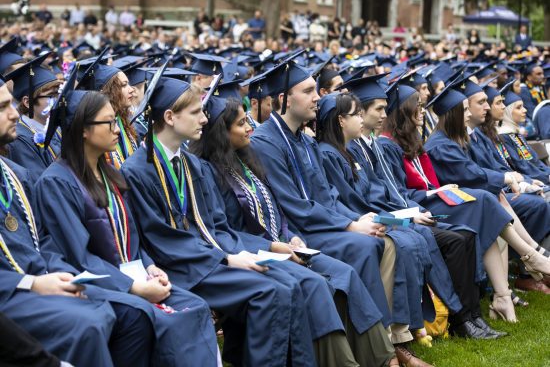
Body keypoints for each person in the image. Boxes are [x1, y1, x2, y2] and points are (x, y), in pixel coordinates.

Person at [121, 76, 317, 366]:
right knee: (270, 291)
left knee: (288, 282)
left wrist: (241, 253)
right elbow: (161, 239)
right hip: (182, 267)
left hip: (209, 258)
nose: (204, 118)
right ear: (169, 117)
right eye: (196, 112)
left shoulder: (193, 165)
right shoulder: (138, 170)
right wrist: (226, 259)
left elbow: (217, 226)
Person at [192, 95, 399, 367]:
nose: (249, 127)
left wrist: (288, 235)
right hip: (252, 253)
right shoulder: (209, 172)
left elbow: (275, 208)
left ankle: (383, 358)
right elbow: (223, 231)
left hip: (283, 245)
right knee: (315, 284)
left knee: (343, 272)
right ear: (222, 131)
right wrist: (273, 247)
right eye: (242, 123)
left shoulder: (246, 161)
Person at [249, 61, 433, 367]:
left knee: (383, 241)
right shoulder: (267, 142)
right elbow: (294, 205)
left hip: (322, 222)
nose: (316, 97)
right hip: (298, 230)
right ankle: (383, 352)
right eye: (307, 91)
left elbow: (326, 194)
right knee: (364, 247)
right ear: (284, 99)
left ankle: (383, 339)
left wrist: (358, 220)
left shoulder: (302, 139)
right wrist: (349, 226)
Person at [34, 79, 220, 366]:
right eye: (108, 123)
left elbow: (133, 239)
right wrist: (133, 287)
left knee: (194, 306)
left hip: (133, 276)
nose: (117, 130)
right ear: (83, 130)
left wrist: (150, 267)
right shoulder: (57, 182)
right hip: (100, 284)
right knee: (155, 318)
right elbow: (78, 256)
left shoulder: (111, 175)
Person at [329, 78, 504, 339]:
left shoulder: (370, 146)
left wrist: (413, 210)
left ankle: (472, 315)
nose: (383, 115)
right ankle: (460, 320)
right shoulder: (350, 150)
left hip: (405, 211)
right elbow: (369, 200)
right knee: (455, 240)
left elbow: (393, 191)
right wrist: (409, 215)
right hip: (390, 220)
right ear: (358, 113)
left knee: (466, 234)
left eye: (385, 109)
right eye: (378, 109)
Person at [0, 77, 156, 367]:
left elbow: (42, 241)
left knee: (128, 315)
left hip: (45, 278)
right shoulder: (56, 180)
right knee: (95, 320)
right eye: (2, 107)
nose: (13, 113)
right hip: (13, 291)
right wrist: (33, 282)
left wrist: (60, 274)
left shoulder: (15, 175)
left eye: (10, 103)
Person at [423, 80, 550, 320]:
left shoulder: (455, 140)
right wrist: (508, 177)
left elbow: (477, 173)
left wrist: (510, 178)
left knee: (491, 198)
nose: (470, 112)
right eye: (465, 109)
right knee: (488, 200)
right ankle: (530, 258)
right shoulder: (440, 146)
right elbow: (471, 175)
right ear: (452, 115)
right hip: (446, 206)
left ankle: (507, 289)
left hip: (469, 200)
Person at [5, 54, 61, 180]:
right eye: (51, 96)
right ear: (28, 102)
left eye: (58, 94)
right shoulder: (19, 140)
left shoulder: (56, 128)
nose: (57, 101)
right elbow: (42, 184)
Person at [76, 56, 138, 169]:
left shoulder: (123, 121)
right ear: (108, 92)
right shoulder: (95, 136)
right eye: (123, 85)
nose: (131, 89)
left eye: (128, 84)